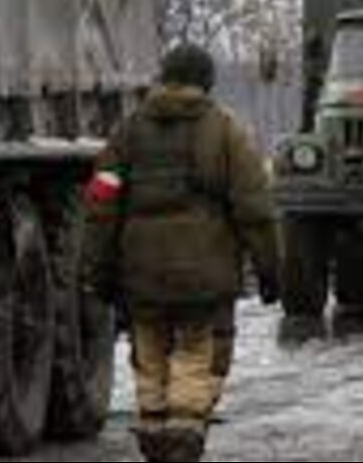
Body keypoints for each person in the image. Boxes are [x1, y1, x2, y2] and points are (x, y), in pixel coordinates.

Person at [85, 44, 281, 463]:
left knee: (148, 343)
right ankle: (186, 430)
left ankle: (153, 427)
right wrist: (270, 269)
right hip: (204, 270)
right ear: (206, 81)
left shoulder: (128, 131)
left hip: (140, 269)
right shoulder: (226, 131)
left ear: (164, 77)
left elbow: (101, 201)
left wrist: (96, 268)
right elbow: (255, 209)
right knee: (196, 346)